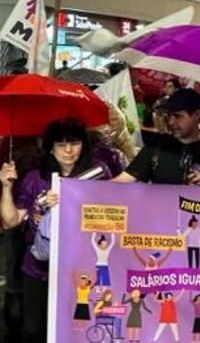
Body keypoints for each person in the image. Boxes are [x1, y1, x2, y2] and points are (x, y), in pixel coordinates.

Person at [0, 119, 110, 342]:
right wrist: (6, 186)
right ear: (50, 147)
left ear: (83, 145)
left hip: (81, 273)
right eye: (60, 144)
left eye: (74, 143)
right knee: (32, 330)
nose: (68, 150)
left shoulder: (98, 175)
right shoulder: (35, 178)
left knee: (74, 330)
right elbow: (11, 221)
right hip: (38, 270)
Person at [115, 88, 200, 185]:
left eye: (178, 116)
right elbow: (124, 180)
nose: (171, 122)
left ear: (197, 114)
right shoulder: (157, 145)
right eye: (169, 116)